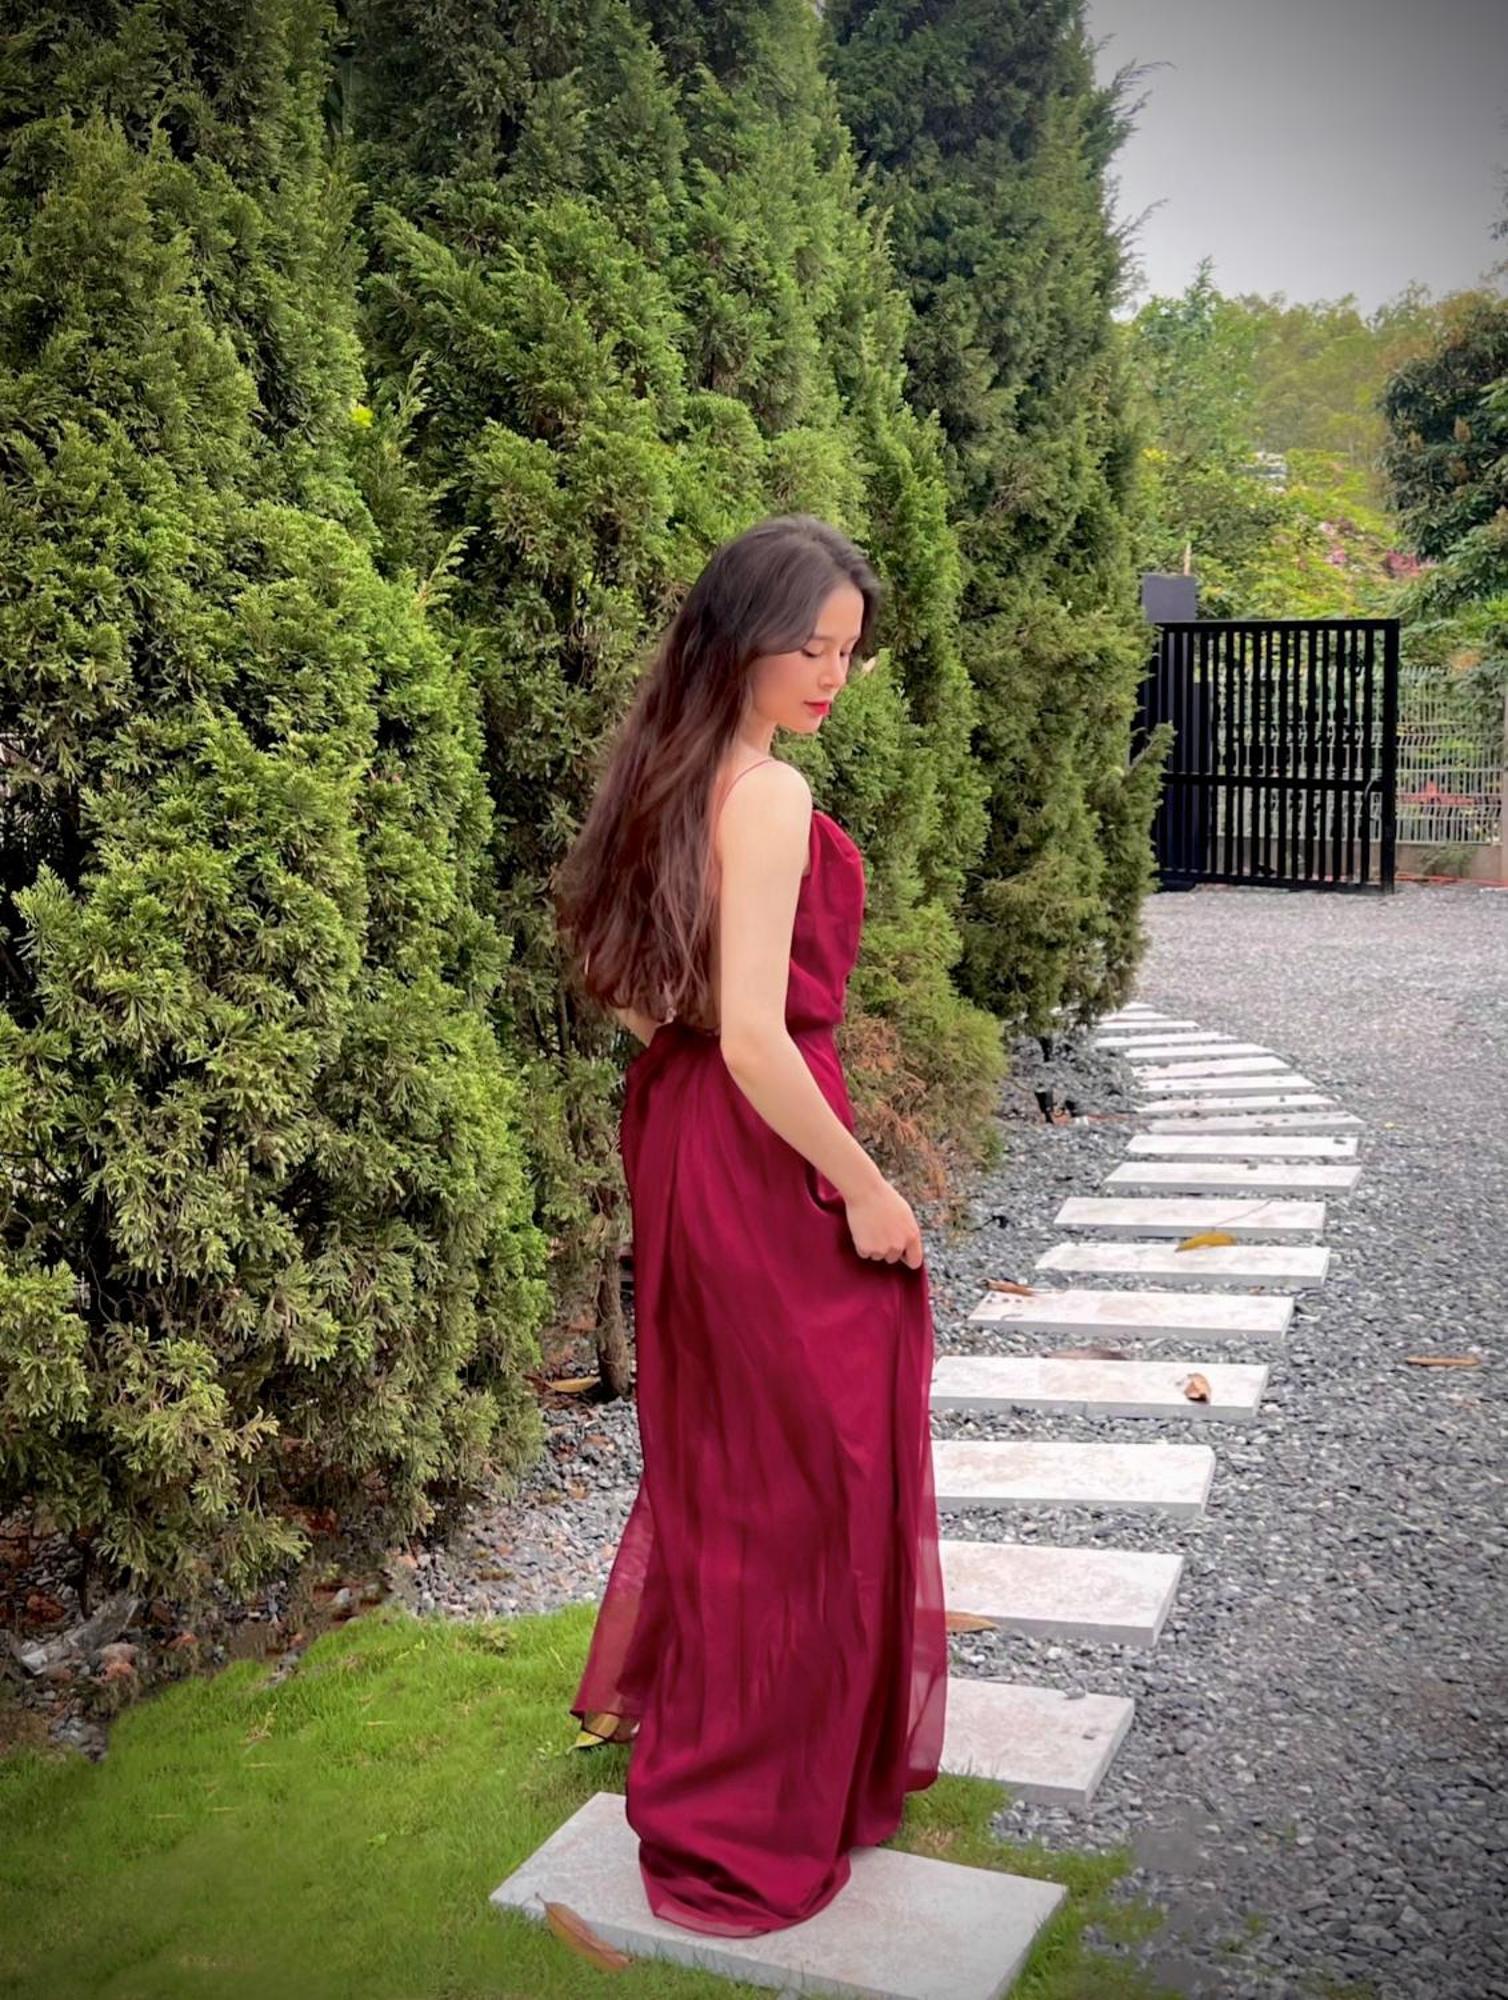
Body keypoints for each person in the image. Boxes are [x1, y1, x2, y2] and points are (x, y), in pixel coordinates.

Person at [551, 513, 948, 1936]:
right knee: (819, 1462)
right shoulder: (765, 793)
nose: (833, 676)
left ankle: (751, 1763)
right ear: (741, 637)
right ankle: (759, 1794)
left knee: (733, 1459)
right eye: (812, 648)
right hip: (761, 1142)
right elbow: (763, 1043)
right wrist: (869, 1185)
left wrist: (692, 1066)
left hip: (684, 1132)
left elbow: (621, 982)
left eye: (849, 653)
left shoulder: (665, 765)